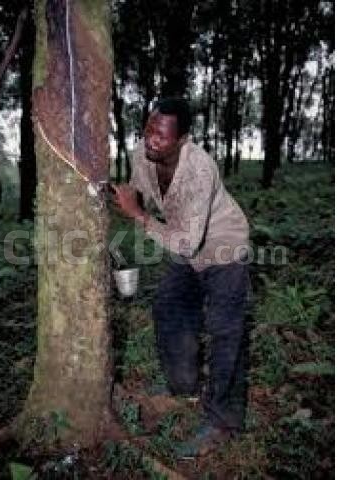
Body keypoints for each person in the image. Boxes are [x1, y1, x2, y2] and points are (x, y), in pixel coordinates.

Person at [112, 98, 251, 457]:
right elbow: (139, 190)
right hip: (184, 243)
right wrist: (122, 196)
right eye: (148, 129)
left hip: (224, 248)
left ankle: (223, 419)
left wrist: (140, 217)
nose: (151, 140)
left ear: (183, 138)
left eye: (162, 135)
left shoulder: (199, 169)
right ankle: (183, 387)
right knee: (168, 308)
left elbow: (188, 243)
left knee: (225, 331)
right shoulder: (142, 154)